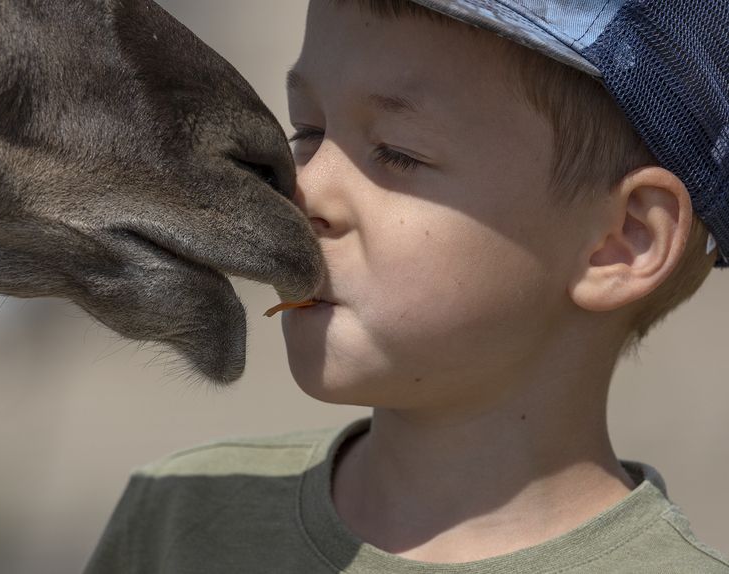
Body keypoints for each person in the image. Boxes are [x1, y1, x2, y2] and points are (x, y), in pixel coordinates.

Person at [86, 1, 729, 571]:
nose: (303, 191)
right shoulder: (178, 518)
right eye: (308, 131)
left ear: (624, 240)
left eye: (398, 152)